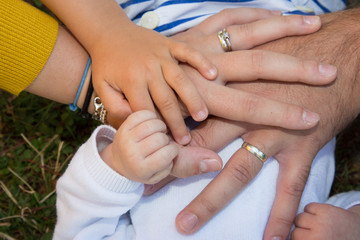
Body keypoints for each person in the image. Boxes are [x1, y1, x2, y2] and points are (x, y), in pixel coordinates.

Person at [53, 108, 360, 239]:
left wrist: (118, 165)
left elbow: (82, 224)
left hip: (183, 48)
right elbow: (328, 211)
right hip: (302, 39)